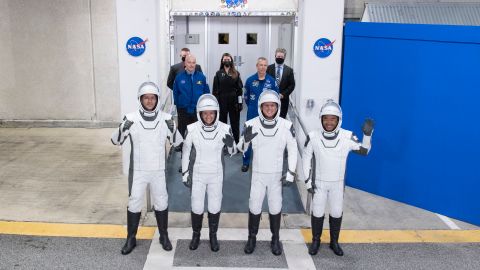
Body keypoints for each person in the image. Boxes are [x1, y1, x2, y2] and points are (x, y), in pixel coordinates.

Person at [111, 82, 181, 255]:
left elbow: (178, 143)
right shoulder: (131, 118)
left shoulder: (166, 119)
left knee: (162, 201)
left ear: (157, 99)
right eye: (146, 98)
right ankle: (131, 238)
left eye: (152, 98)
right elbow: (116, 141)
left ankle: (163, 236)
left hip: (159, 171)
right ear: (140, 99)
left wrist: (173, 130)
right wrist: (122, 128)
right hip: (138, 171)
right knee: (134, 202)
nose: (149, 101)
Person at [302, 99, 374, 256]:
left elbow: (364, 151)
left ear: (338, 119)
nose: (329, 122)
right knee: (318, 211)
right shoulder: (313, 136)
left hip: (337, 184)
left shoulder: (347, 136)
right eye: (326, 118)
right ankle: (316, 241)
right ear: (321, 119)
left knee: (336, 212)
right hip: (319, 183)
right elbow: (306, 158)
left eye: (333, 118)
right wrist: (307, 181)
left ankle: (334, 242)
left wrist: (367, 135)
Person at [237, 90, 297, 256]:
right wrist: (245, 140)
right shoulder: (251, 124)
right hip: (258, 174)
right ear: (260, 107)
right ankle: (251, 237)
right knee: (254, 205)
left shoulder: (286, 126)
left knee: (275, 206)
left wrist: (291, 172)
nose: (269, 108)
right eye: (266, 105)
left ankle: (275, 238)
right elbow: (241, 149)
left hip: (276, 175)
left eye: (272, 105)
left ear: (277, 106)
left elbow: (293, 150)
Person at [181, 94, 237, 252]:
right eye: (205, 113)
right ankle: (196, 235)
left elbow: (232, 152)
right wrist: (185, 172)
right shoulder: (191, 129)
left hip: (216, 174)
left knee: (214, 205)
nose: (208, 116)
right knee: (196, 205)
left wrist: (231, 144)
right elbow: (185, 152)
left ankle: (213, 235)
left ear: (216, 113)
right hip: (198, 174)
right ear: (200, 114)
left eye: (211, 113)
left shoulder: (225, 128)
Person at [242, 57, 279, 172]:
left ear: (267, 67)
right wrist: (253, 106)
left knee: (266, 138)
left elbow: (276, 98)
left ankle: (264, 161)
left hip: (267, 114)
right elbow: (246, 97)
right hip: (252, 112)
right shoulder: (249, 80)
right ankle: (246, 162)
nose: (263, 67)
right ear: (257, 66)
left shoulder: (272, 81)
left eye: (265, 65)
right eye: (260, 65)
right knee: (248, 137)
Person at [173, 54, 210, 139]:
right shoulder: (179, 77)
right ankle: (182, 147)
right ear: (185, 63)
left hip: (197, 109)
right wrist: (179, 105)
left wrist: (205, 106)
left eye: (193, 63)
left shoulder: (201, 77)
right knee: (183, 130)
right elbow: (175, 92)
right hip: (183, 109)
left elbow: (206, 92)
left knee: (197, 131)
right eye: (189, 62)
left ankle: (196, 148)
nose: (191, 65)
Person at [212, 53, 243, 143]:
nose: (226, 61)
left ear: (231, 61)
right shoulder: (218, 74)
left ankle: (237, 143)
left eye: (228, 59)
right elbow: (215, 91)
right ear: (222, 61)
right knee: (222, 124)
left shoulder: (236, 73)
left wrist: (240, 103)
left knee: (235, 124)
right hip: (222, 102)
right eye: (225, 59)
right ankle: (224, 144)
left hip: (234, 103)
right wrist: (216, 104)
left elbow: (239, 90)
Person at [266, 48, 295, 119]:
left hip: (283, 100)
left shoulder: (289, 70)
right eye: (278, 56)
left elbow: (292, 85)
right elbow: (265, 82)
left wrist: (283, 94)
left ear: (284, 57)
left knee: (281, 119)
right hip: (270, 99)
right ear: (275, 56)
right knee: (269, 119)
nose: (280, 58)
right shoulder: (268, 68)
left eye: (282, 57)